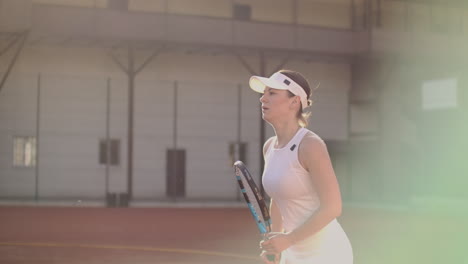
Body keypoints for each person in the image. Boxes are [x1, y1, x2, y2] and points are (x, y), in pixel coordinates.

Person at [249, 69, 353, 264]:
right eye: (263, 93)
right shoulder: (269, 147)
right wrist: (276, 244)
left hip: (327, 254)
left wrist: (288, 239)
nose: (263, 99)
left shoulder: (311, 145)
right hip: (293, 253)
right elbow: (278, 200)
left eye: (271, 93)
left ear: (294, 102)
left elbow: (333, 207)